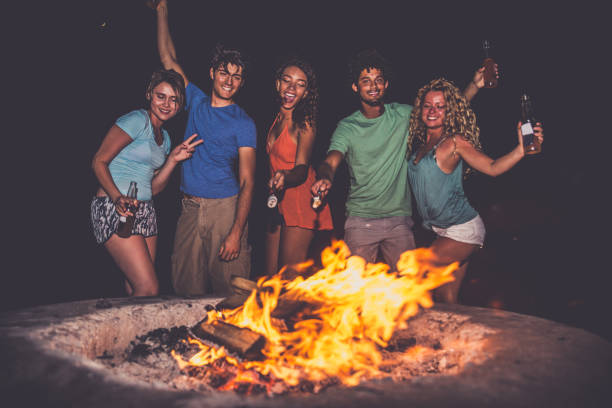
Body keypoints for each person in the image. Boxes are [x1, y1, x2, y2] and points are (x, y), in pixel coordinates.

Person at [311, 49, 487, 268]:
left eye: (378, 80)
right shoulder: (347, 127)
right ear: (356, 87)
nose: (373, 86)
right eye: (366, 81)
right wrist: (325, 177)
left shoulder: (402, 115)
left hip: (399, 222)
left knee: (411, 289)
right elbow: (331, 160)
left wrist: (474, 85)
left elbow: (443, 111)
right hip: (360, 221)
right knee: (355, 292)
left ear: (386, 85)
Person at [407, 78, 544, 303]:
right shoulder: (422, 143)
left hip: (462, 230)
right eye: (428, 105)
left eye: (440, 106)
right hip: (442, 230)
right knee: (447, 300)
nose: (433, 110)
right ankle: (461, 337)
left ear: (449, 111)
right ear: (420, 108)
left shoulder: (454, 142)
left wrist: (520, 150)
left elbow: (492, 168)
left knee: (417, 270)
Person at [153, 0, 256, 296]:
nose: (229, 80)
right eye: (224, 72)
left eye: (237, 76)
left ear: (241, 82)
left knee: (231, 293)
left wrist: (236, 231)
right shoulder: (196, 100)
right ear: (212, 73)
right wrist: (162, 10)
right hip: (189, 207)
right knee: (185, 291)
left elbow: (248, 181)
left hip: (225, 209)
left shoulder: (244, 122)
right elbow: (167, 56)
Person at [91, 68, 202, 296]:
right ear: (149, 94)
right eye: (161, 96)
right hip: (115, 207)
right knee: (148, 287)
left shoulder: (166, 138)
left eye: (174, 99)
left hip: (144, 210)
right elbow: (98, 161)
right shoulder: (136, 120)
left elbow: (153, 188)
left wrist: (172, 160)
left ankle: (132, 333)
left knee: (136, 287)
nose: (166, 104)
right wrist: (117, 197)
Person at [265, 58, 333, 276]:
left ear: (306, 92)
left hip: (300, 199)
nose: (292, 88)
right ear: (278, 84)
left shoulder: (305, 124)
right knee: (268, 281)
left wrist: (285, 176)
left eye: (300, 84)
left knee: (288, 282)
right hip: (277, 201)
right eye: (287, 81)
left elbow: (302, 169)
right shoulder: (276, 117)